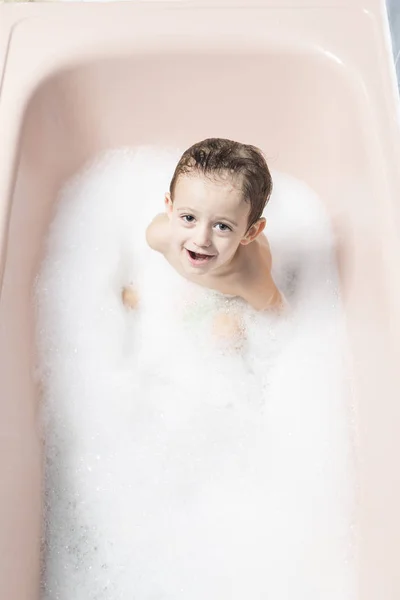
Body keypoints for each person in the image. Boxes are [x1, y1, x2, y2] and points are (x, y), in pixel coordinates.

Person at [122, 138, 285, 344]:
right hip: (191, 291)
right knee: (130, 298)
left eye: (222, 227)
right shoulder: (158, 237)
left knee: (226, 335)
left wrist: (242, 320)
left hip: (230, 301)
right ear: (170, 209)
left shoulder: (249, 278)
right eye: (189, 218)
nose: (201, 240)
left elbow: (276, 314)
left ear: (250, 233)